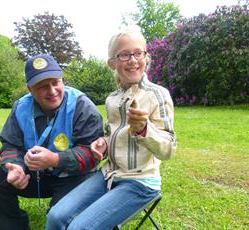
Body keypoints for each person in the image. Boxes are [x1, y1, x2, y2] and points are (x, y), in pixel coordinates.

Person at [45, 27, 177, 230]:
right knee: (55, 217)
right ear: (112, 63)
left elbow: (168, 150)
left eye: (138, 53)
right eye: (124, 54)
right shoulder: (112, 99)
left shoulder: (157, 95)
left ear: (146, 56)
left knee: (78, 228)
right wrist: (103, 143)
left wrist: (144, 129)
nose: (132, 59)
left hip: (140, 182)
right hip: (109, 174)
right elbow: (112, 134)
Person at [0, 54, 104, 230]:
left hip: (74, 176)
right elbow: (10, 145)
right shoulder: (20, 107)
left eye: (56, 82)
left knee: (58, 216)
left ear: (62, 81)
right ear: (30, 89)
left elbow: (92, 154)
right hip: (35, 175)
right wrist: (14, 166)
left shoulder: (81, 105)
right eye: (43, 86)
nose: (52, 91)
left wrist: (55, 159)